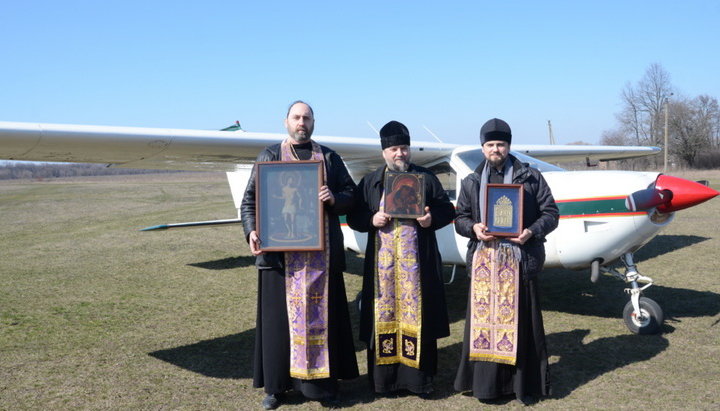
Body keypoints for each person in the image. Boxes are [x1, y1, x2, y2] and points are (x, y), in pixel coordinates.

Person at [240, 101, 359, 409]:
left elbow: (352, 196)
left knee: (325, 322)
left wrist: (334, 198)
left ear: (313, 122)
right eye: (296, 117)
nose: (301, 122)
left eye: (306, 117)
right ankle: (277, 388)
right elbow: (250, 200)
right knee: (279, 325)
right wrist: (252, 231)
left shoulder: (329, 157)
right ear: (286, 122)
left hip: (323, 256)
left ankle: (325, 388)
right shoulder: (269, 156)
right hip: (281, 260)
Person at [453, 118, 559, 405]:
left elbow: (551, 214)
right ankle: (487, 387)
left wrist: (531, 232)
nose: (495, 149)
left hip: (520, 261)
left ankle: (521, 385)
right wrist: (473, 228)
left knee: (521, 325)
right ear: (483, 147)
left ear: (509, 145)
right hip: (485, 263)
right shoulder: (472, 181)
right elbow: (460, 218)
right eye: (490, 144)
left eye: (500, 144)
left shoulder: (531, 177)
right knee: (485, 326)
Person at [347, 120, 455, 397]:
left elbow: (447, 209)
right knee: (383, 316)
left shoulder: (426, 178)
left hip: (417, 267)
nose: (400, 154)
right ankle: (384, 382)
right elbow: (353, 217)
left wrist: (431, 219)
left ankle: (420, 381)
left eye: (404, 149)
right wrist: (372, 218)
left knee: (419, 318)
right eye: (394, 149)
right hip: (382, 270)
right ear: (384, 151)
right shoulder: (371, 181)